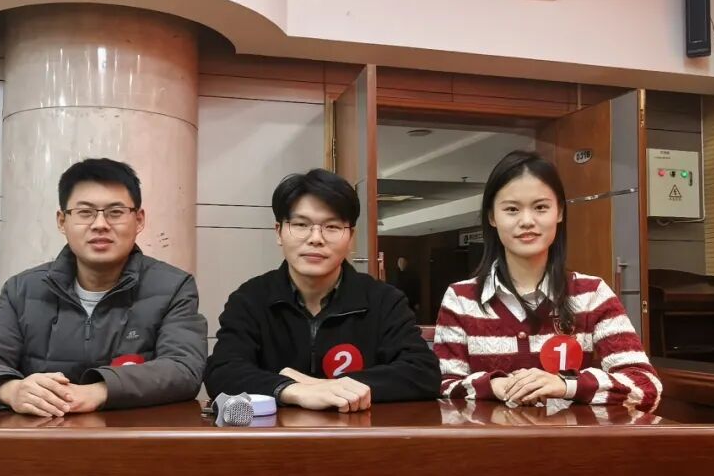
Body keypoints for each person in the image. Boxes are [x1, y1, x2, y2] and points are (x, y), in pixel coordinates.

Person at [0, 158, 207, 416]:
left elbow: (184, 369)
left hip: (132, 436)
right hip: (41, 436)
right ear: (62, 221)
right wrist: (12, 390)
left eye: (115, 212)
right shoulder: (23, 290)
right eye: (85, 212)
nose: (100, 224)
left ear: (139, 220)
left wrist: (97, 391)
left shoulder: (173, 287)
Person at [435, 150, 661, 412]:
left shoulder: (592, 294)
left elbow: (647, 387)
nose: (527, 221)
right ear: (492, 217)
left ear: (560, 212)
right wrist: (493, 385)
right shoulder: (461, 299)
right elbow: (442, 386)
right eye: (511, 209)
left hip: (569, 438)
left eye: (541, 207)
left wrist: (566, 385)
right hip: (492, 439)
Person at [205, 168, 439, 411]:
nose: (315, 238)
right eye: (301, 224)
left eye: (332, 227)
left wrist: (327, 388)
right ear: (279, 232)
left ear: (350, 237)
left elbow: (423, 372)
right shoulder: (250, 298)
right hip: (275, 433)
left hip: (358, 432)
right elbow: (223, 371)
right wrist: (291, 390)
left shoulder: (384, 300)